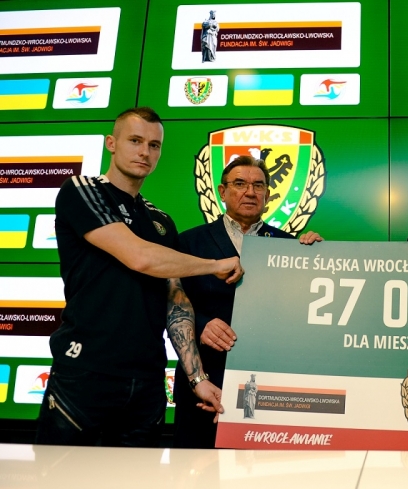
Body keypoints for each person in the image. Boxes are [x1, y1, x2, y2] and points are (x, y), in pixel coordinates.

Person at [36, 107, 244, 447]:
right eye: (135, 141)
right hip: (85, 373)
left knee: (136, 476)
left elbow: (176, 304)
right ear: (111, 143)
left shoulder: (161, 220)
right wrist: (214, 265)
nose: (144, 152)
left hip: (147, 382)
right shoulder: (82, 190)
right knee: (59, 474)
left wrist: (198, 379)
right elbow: (140, 257)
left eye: (154, 145)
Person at [173, 155, 323, 448]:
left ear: (268, 194)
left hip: (268, 384)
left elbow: (303, 313)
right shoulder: (188, 242)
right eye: (240, 184)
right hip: (204, 379)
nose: (250, 192)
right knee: (194, 468)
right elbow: (171, 303)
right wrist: (201, 324)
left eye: (259, 185)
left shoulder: (291, 245)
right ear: (222, 191)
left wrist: (317, 258)